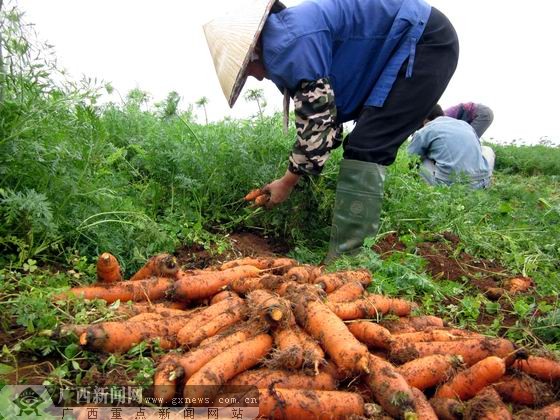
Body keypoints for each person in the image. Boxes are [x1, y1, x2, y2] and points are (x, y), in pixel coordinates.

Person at [204, 0, 459, 260]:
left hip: (424, 41)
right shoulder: (288, 33)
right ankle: (348, 256)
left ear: (253, 51)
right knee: (362, 144)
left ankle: (348, 262)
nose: (257, 77)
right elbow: (326, 123)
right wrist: (294, 175)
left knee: (367, 146)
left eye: (249, 70)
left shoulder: (286, 43)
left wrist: (288, 181)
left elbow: (317, 121)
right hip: (413, 40)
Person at [408, 104, 495, 188]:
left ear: (425, 120)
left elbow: (410, 158)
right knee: (487, 150)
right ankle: (487, 179)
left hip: (448, 185)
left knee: (420, 159)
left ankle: (434, 184)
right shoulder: (465, 125)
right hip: (480, 183)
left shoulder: (425, 130)